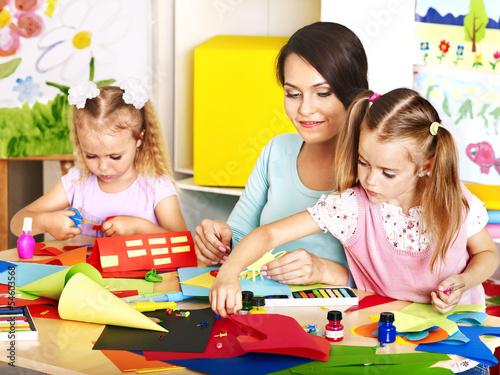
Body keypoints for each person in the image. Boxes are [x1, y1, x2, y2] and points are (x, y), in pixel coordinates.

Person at [210, 88, 499, 319]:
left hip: (462, 337)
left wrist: (464, 281)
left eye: (388, 173)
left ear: (426, 165)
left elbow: (487, 253)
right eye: (363, 162)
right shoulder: (349, 208)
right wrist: (228, 274)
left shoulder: (454, 199)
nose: (370, 180)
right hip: (388, 340)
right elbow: (268, 234)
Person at [194, 22, 369, 286]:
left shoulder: (375, 169)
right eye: (293, 94)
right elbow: (243, 235)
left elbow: (395, 275)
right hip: (264, 305)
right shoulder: (277, 150)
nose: (305, 109)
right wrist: (220, 240)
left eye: (322, 93)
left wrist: (325, 270)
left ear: (355, 93)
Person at [10, 79, 187, 240]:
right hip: (84, 275)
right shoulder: (76, 182)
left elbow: (184, 243)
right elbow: (16, 223)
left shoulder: (156, 186)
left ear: (139, 140)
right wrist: (44, 222)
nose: (102, 167)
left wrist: (140, 228)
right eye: (91, 156)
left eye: (115, 157)